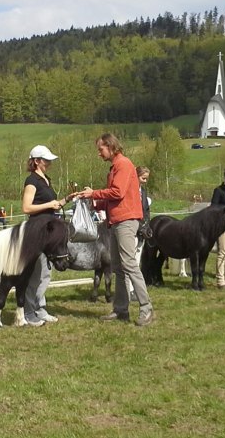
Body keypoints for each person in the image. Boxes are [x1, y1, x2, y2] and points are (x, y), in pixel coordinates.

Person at [75, 133, 154, 326]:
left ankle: (146, 308)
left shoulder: (124, 165)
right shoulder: (114, 168)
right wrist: (93, 203)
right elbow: (115, 197)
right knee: (118, 268)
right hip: (116, 221)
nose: (99, 154)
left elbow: (117, 192)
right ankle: (120, 310)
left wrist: (93, 192)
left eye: (100, 149)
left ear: (110, 146)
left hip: (126, 221)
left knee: (129, 265)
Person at [22, 144, 72, 326]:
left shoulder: (46, 180)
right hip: (36, 232)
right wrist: (49, 205)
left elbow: (52, 204)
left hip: (48, 233)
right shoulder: (31, 181)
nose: (49, 163)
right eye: (46, 160)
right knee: (35, 274)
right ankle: (28, 312)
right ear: (36, 161)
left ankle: (40, 308)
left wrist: (66, 199)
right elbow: (26, 207)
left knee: (45, 274)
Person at [126, 166, 151, 301]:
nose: (145, 181)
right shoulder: (130, 190)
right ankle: (128, 289)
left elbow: (146, 210)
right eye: (143, 178)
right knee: (130, 262)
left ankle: (134, 289)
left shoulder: (144, 191)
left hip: (141, 231)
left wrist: (146, 225)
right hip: (132, 229)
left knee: (137, 260)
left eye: (146, 179)